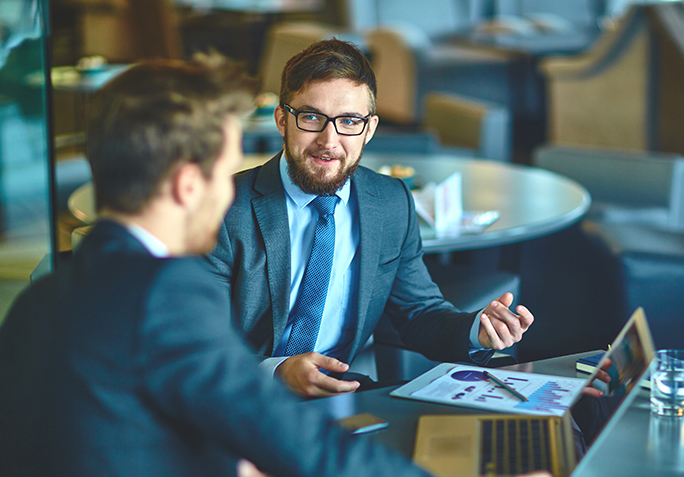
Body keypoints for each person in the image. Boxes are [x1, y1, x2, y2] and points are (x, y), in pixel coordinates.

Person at [0, 55, 563, 477]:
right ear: (186, 186)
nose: (232, 190)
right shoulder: (165, 294)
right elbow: (307, 449)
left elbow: (97, 445)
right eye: (225, 172)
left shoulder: (42, 296)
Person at [205, 39, 534, 400]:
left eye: (348, 121)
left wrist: (478, 331)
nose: (329, 140)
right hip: (236, 397)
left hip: (342, 395)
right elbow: (194, 344)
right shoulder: (222, 207)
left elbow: (419, 314)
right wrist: (277, 372)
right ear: (283, 120)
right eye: (312, 117)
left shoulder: (391, 203)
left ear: (369, 128)